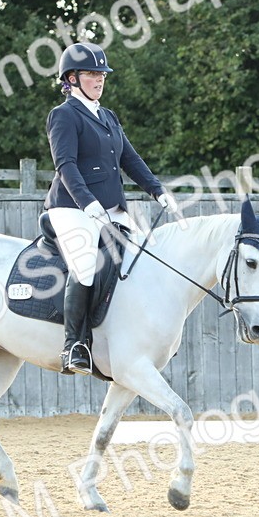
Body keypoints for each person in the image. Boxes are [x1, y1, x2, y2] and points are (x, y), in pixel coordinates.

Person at [44, 41, 178, 374]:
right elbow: (66, 165)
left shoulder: (107, 116)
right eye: (91, 74)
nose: (99, 79)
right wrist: (87, 203)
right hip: (71, 207)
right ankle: (74, 344)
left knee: (144, 257)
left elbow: (130, 158)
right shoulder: (63, 115)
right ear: (72, 79)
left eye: (101, 73)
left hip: (112, 207)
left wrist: (157, 190)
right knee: (87, 262)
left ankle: (141, 337)